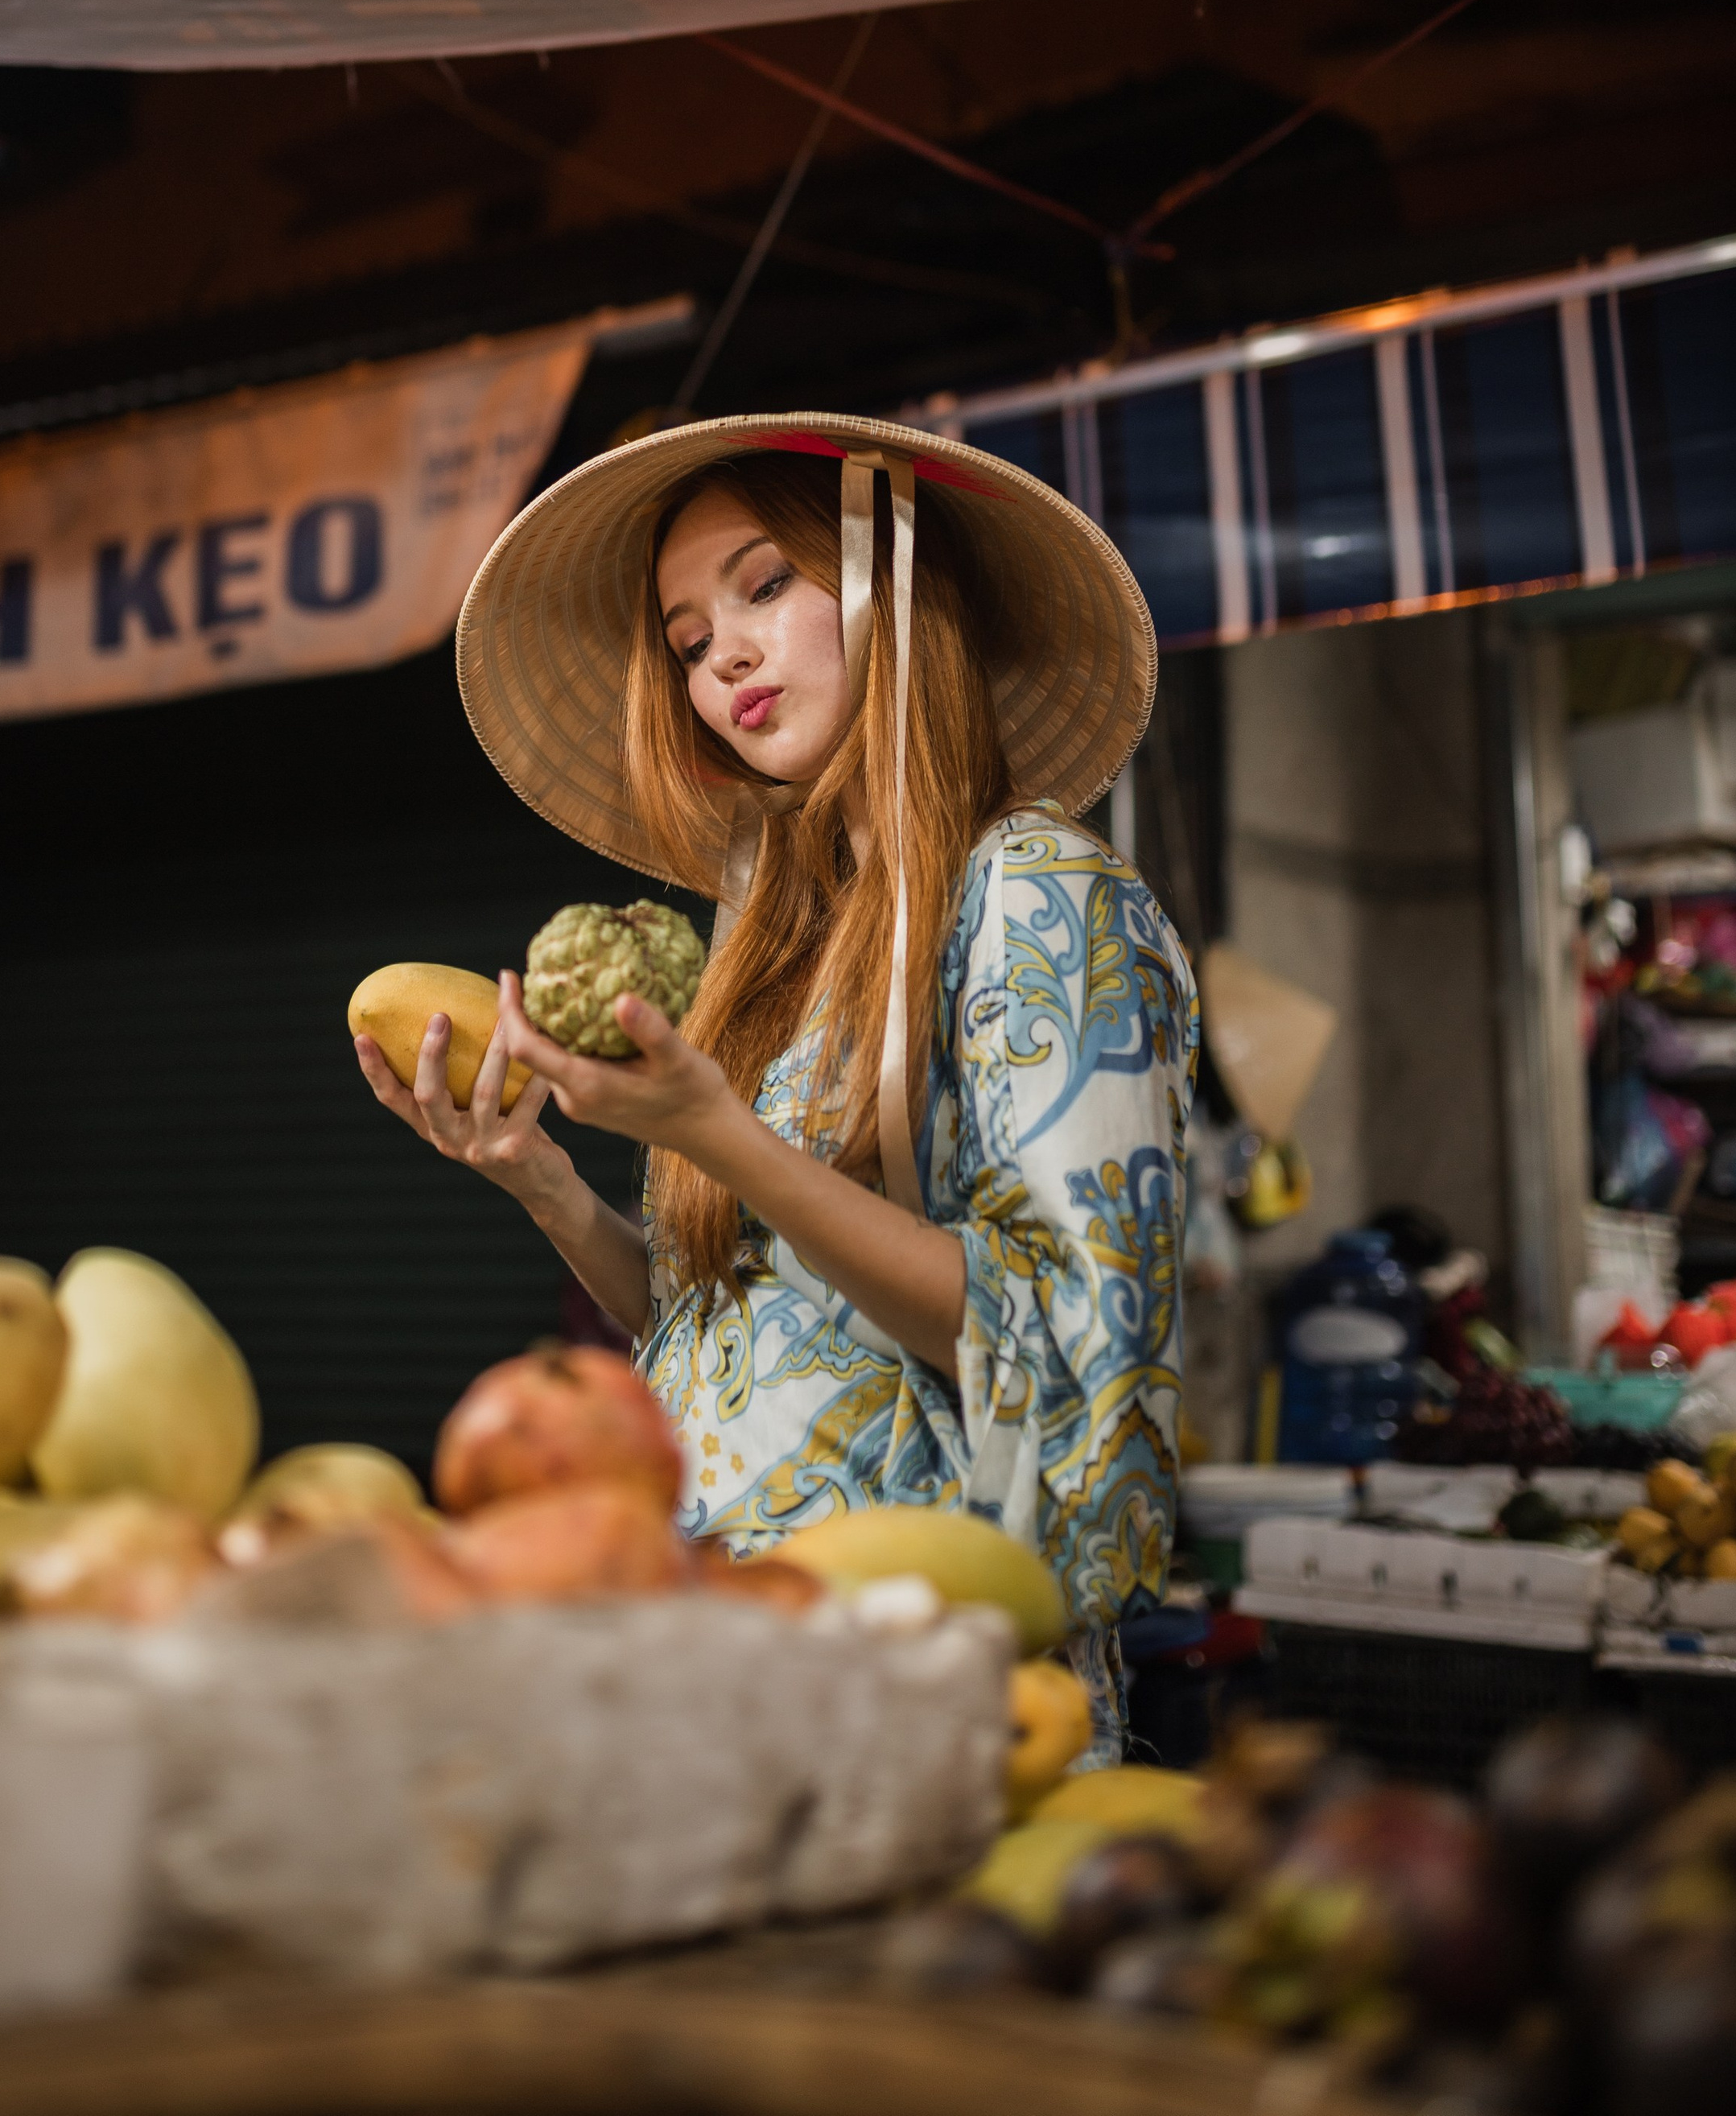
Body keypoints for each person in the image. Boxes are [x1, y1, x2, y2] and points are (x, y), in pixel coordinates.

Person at [356, 412, 1196, 1757]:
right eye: (689, 644)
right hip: (716, 1676)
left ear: (893, 586)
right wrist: (548, 1186)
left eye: (765, 586)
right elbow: (737, 1335)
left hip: (923, 1695)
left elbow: (1065, 1347)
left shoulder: (1038, 894)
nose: (726, 658)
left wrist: (720, 1136)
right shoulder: (776, 959)